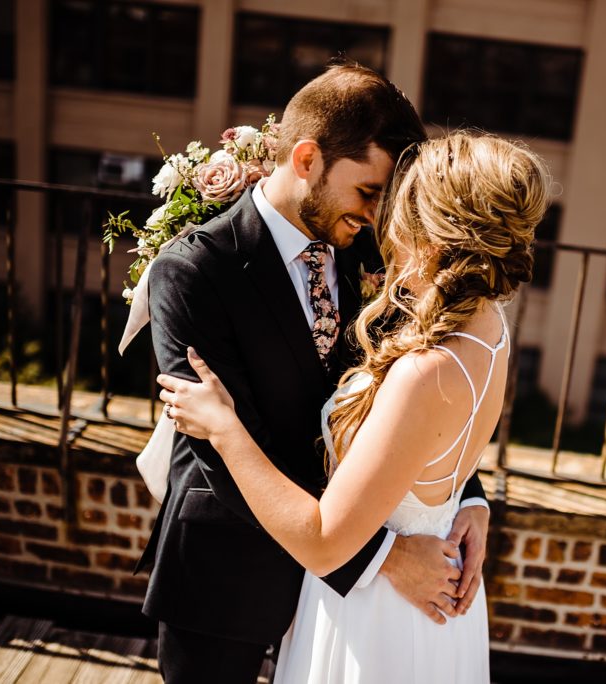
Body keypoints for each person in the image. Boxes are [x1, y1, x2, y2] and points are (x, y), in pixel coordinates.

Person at [135, 65, 492, 682]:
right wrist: (380, 557)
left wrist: (468, 493)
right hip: (229, 575)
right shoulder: (194, 271)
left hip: (340, 595)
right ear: (306, 159)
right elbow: (224, 451)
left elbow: (413, 392)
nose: (381, 217)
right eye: (369, 192)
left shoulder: (373, 254)